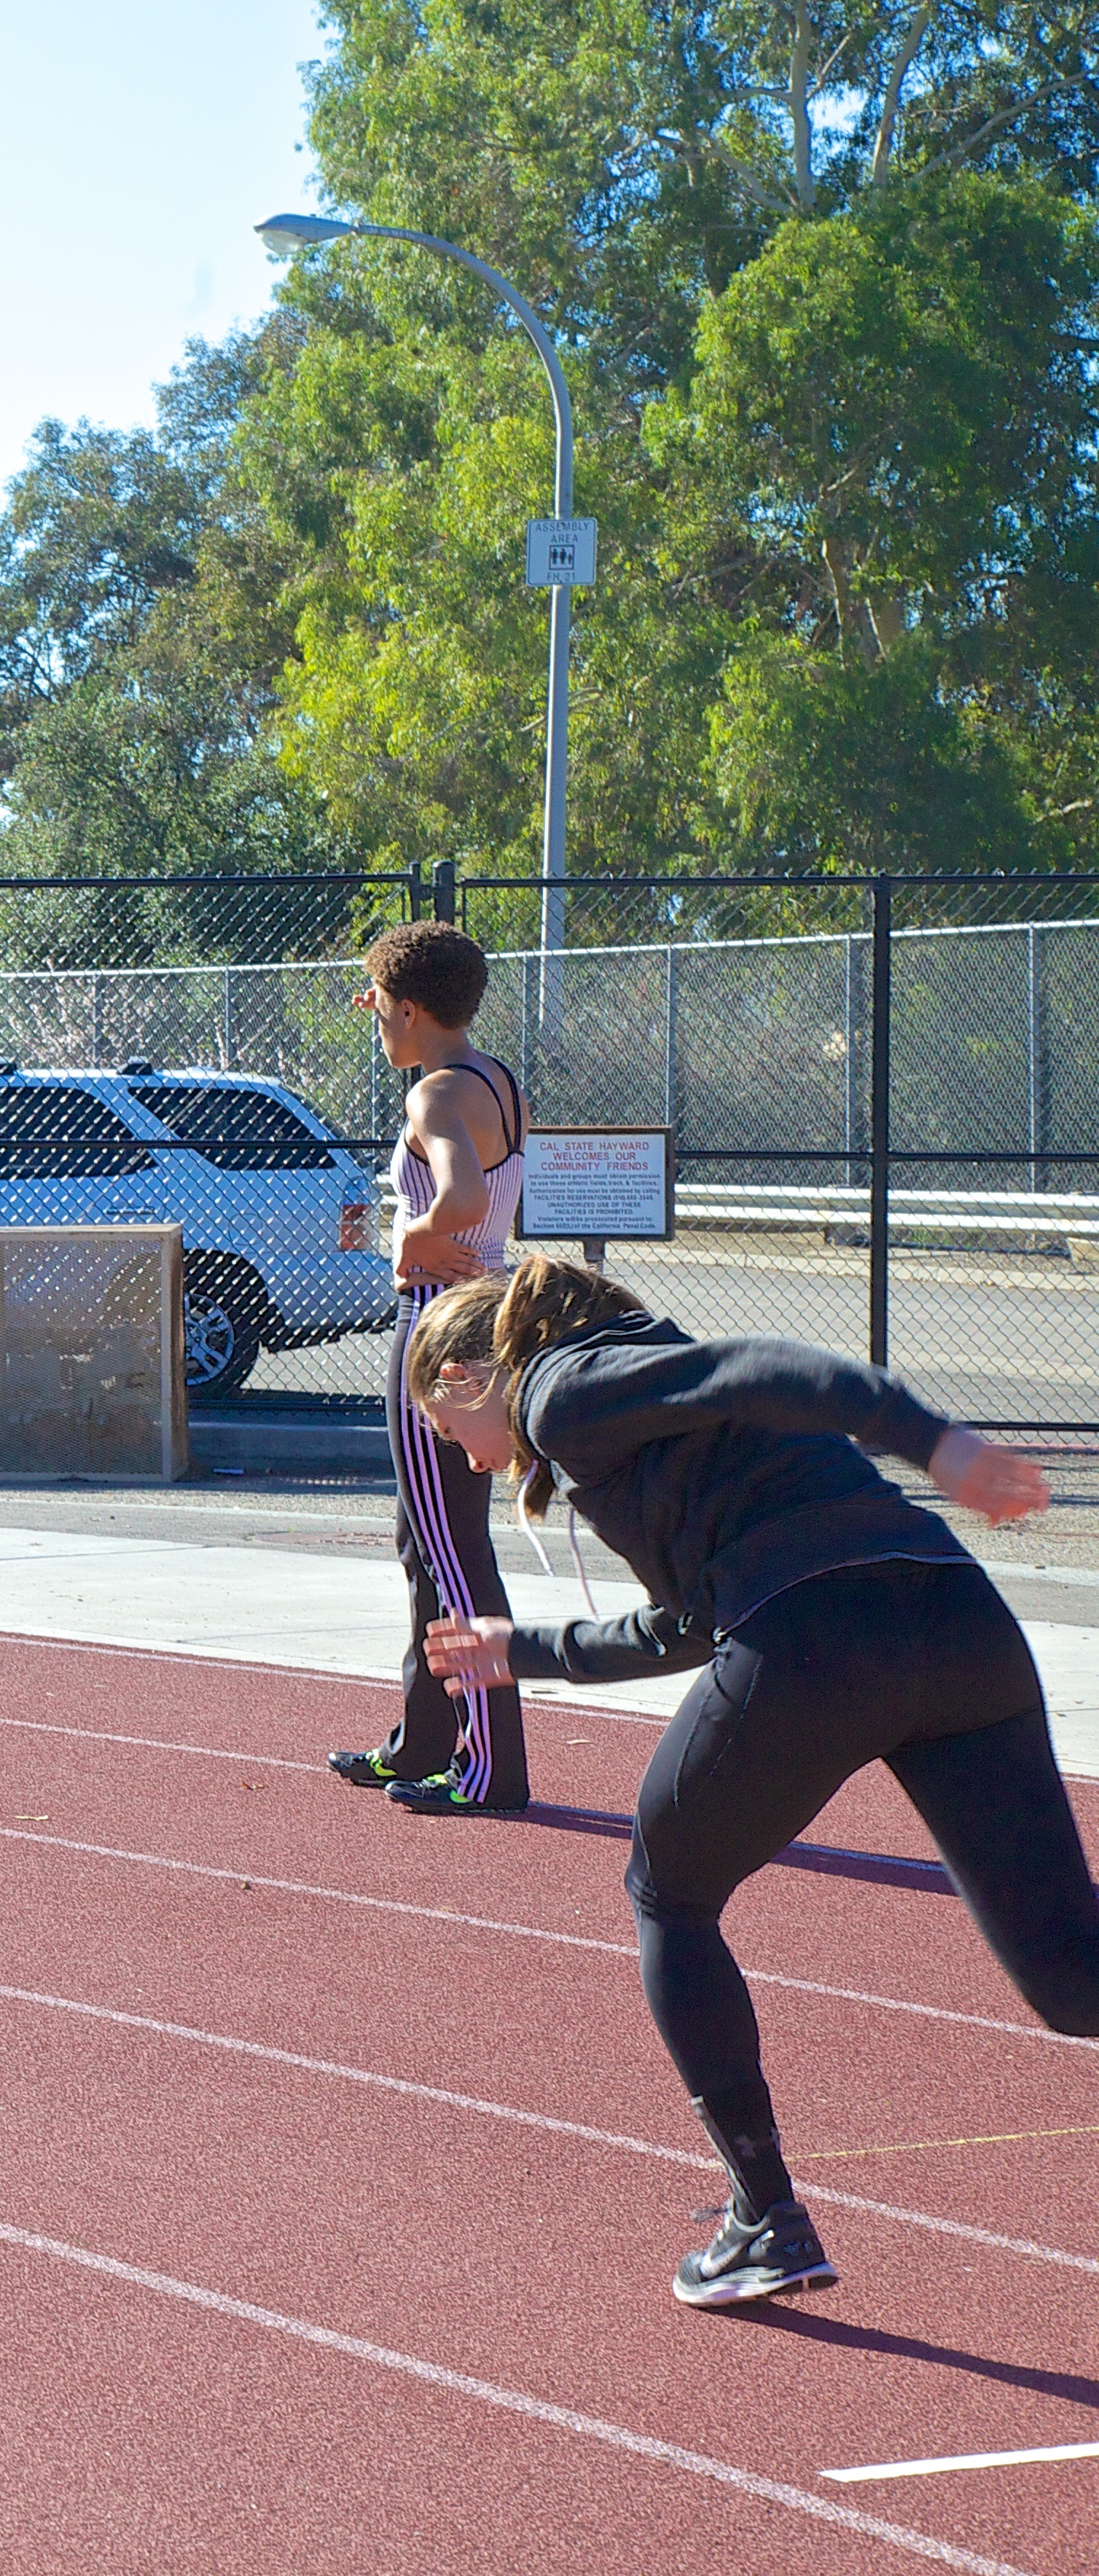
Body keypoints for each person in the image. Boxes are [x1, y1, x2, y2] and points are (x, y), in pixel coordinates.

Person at [408, 1253, 1096, 2308]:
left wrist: (936, 1443)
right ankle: (764, 2222)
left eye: (444, 1423)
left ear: (467, 1373)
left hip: (818, 1638)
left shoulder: (555, 1389)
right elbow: (689, 1620)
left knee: (667, 1893)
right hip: (961, 1626)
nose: (458, 1450)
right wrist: (525, 1649)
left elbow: (762, 1365)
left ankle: (766, 2220)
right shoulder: (635, 1420)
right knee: (1074, 1980)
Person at [326, 919, 533, 1817]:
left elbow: (463, 1196)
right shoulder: (496, 1078)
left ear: (410, 1008)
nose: (373, 1017)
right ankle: (423, 1743)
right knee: (428, 1544)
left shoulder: (437, 1094)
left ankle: (491, 1770)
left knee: (451, 1555)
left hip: (442, 1338)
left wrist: (411, 1234)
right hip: (482, 1325)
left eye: (378, 1002)